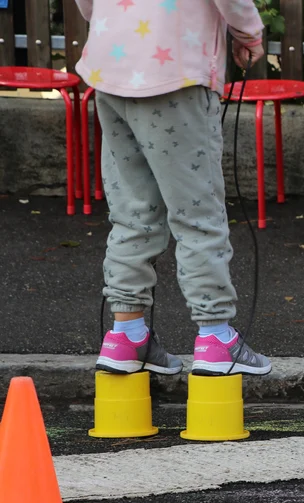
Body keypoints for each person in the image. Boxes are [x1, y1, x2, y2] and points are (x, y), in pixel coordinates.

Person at [75, 0, 272, 377]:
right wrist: (247, 32)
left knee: (133, 211)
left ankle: (126, 334)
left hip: (110, 64)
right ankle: (215, 336)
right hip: (175, 72)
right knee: (197, 212)